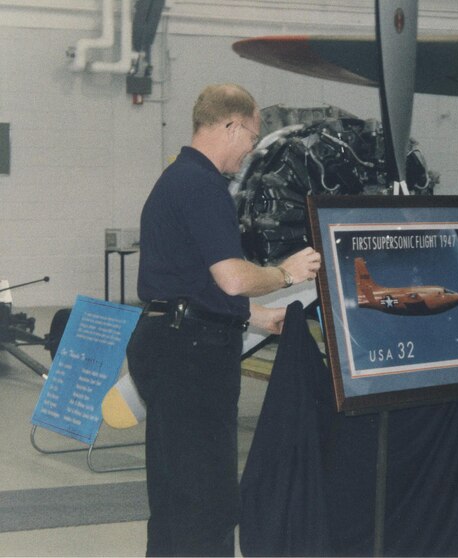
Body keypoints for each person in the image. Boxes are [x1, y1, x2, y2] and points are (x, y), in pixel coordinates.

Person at [126, 83, 321, 557]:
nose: (252, 150)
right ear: (231, 125)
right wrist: (285, 273)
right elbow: (231, 278)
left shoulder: (177, 178)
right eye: (252, 137)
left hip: (166, 340)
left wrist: (257, 316)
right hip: (191, 357)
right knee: (207, 502)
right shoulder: (202, 185)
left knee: (175, 496)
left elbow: (193, 282)